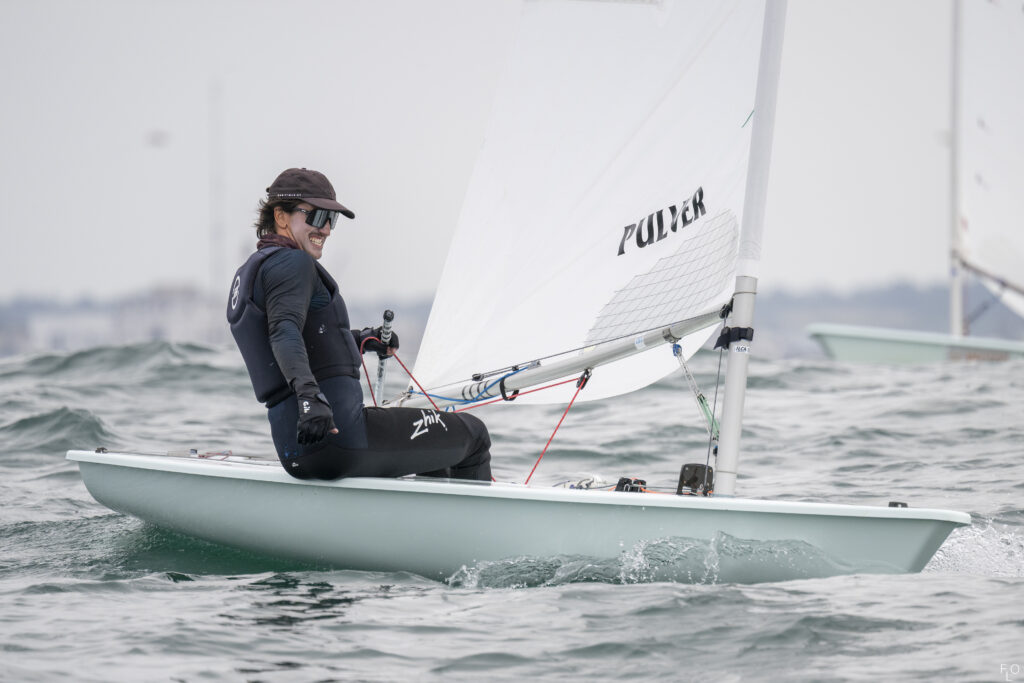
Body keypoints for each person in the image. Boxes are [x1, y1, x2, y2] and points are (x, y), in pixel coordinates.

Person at [227, 167, 492, 481]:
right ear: (281, 216)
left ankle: (420, 509)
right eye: (317, 216)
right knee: (474, 436)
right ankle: (470, 514)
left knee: (433, 448)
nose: (326, 228)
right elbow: (283, 332)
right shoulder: (292, 262)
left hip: (297, 449)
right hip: (340, 436)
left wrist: (362, 340)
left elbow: (302, 340)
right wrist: (310, 398)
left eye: (331, 219)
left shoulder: (254, 272)